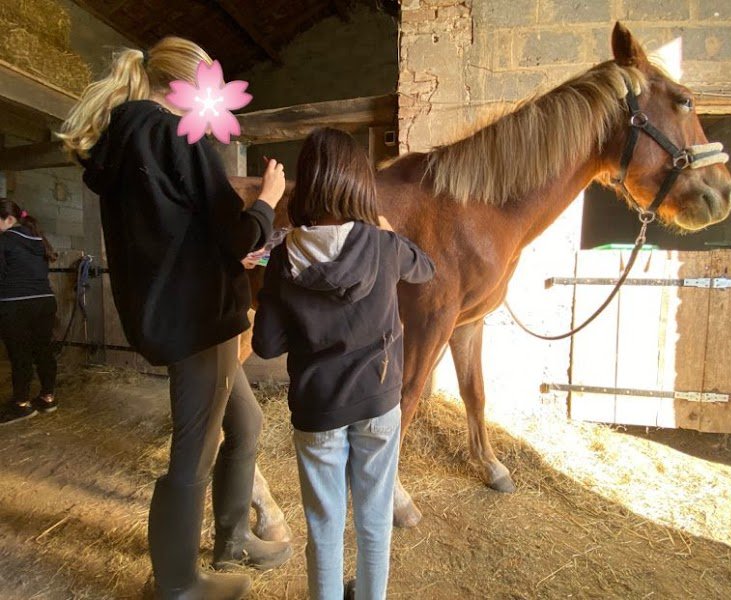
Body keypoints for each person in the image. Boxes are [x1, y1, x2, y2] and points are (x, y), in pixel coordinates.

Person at [59, 37, 291, 599]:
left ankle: (233, 540)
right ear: (189, 88)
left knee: (247, 425)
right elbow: (238, 236)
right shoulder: (176, 136)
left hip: (176, 312)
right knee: (194, 451)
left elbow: (180, 233)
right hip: (199, 318)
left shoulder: (128, 139)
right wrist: (268, 199)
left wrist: (233, 240)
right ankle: (178, 584)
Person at [252, 127, 436, 600]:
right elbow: (426, 268)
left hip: (318, 410)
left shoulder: (282, 258)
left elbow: (266, 345)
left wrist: (301, 321)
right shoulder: (384, 246)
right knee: (375, 521)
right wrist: (389, 232)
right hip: (378, 402)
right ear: (359, 184)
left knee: (324, 526)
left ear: (307, 184)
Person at [0, 201, 58, 425]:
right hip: (44, 301)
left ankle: (21, 404)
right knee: (44, 350)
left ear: (9, 219)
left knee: (20, 354)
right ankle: (47, 397)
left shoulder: (4, 240)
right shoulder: (38, 239)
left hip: (15, 304)